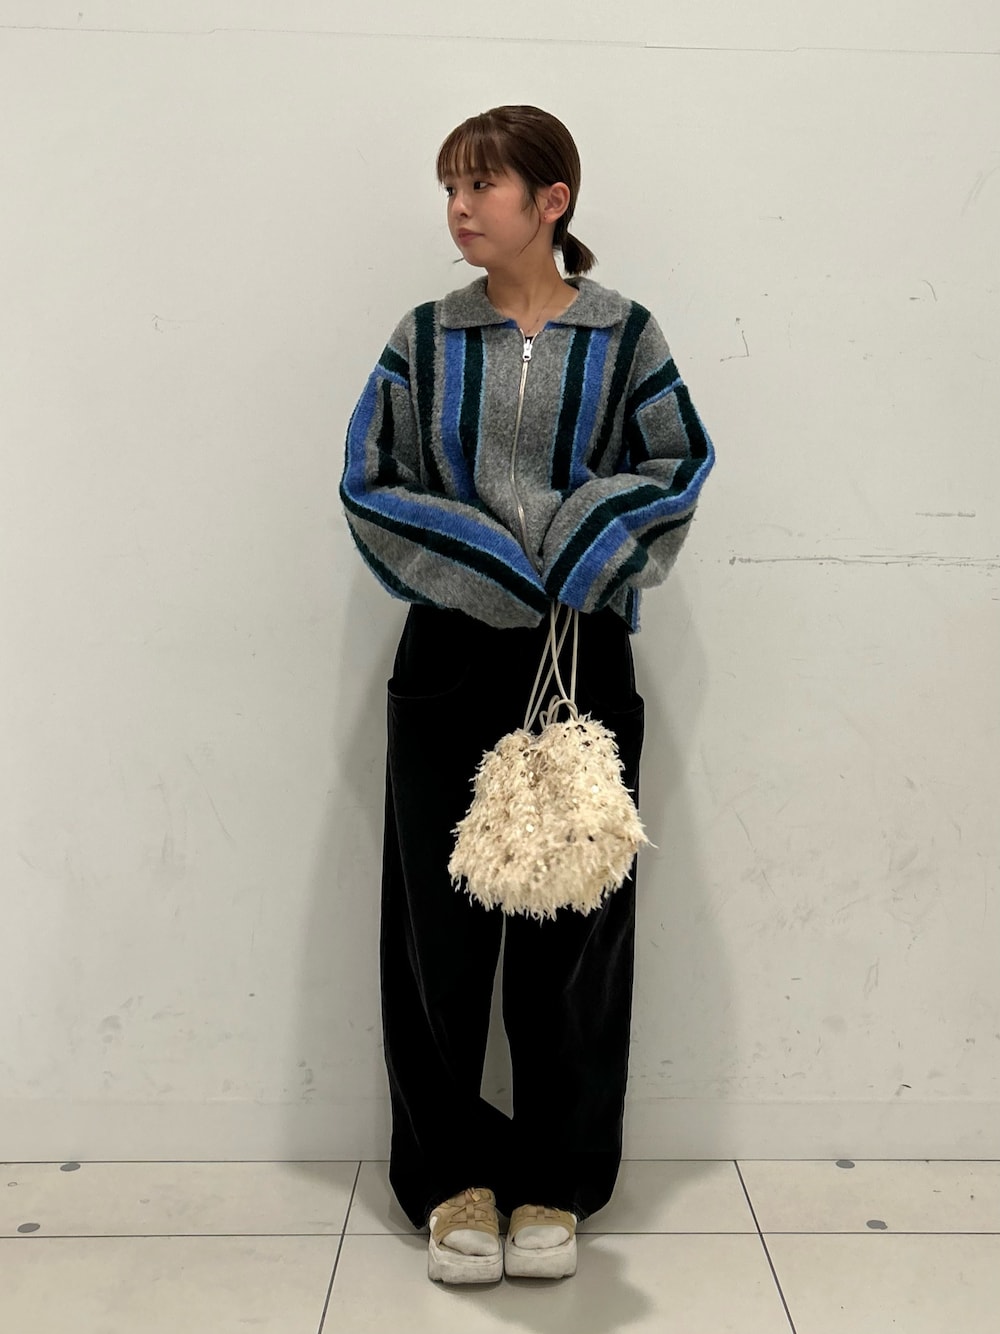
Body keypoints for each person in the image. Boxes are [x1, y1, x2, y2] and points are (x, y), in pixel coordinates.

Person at [339, 105, 715, 1284]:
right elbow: (368, 479)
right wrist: (500, 566)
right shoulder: (423, 337)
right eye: (450, 187)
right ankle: (449, 1178)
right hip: (449, 652)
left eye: (481, 186)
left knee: (576, 924)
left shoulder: (626, 335)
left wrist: (576, 545)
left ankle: (556, 1176)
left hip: (580, 655)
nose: (458, 209)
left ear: (551, 200)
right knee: (436, 928)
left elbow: (677, 462)